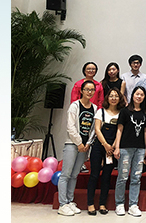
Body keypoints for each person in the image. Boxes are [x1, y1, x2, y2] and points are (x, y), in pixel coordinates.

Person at [57, 81, 97, 216]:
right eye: (87, 89)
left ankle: (69, 201)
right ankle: (62, 204)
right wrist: (79, 142)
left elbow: (93, 129)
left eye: (92, 90)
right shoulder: (74, 106)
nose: (89, 92)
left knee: (74, 175)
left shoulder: (94, 108)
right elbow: (70, 127)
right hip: (72, 144)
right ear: (81, 90)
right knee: (66, 174)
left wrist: (88, 143)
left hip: (84, 147)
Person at [86, 87, 125, 215]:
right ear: (107, 98)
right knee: (94, 175)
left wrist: (112, 147)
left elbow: (120, 131)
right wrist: (105, 145)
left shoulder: (122, 113)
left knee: (107, 176)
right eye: (111, 96)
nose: (114, 98)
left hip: (112, 148)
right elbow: (97, 130)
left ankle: (102, 204)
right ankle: (90, 204)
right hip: (99, 146)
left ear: (119, 98)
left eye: (116, 96)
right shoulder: (100, 112)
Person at [113, 85, 146, 217]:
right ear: (132, 95)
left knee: (136, 177)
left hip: (140, 149)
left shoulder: (145, 113)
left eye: (141, 95)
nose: (139, 96)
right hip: (125, 148)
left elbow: (145, 131)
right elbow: (119, 130)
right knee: (122, 177)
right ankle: (119, 204)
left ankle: (133, 205)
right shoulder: (125, 111)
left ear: (144, 97)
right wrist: (117, 147)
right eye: (137, 94)